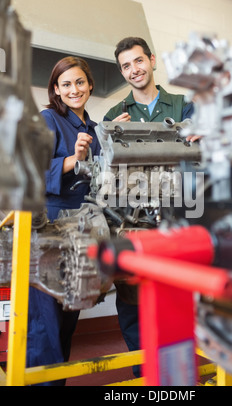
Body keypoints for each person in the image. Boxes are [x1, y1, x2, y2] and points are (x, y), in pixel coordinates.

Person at [103, 37, 194, 377]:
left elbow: (201, 148)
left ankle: (176, 372)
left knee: (176, 291)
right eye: (126, 65)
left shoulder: (184, 105)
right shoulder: (115, 115)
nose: (134, 70)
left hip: (179, 211)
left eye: (138, 61)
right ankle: (143, 373)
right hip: (132, 215)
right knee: (131, 293)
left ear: (152, 60)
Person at [26, 56, 100, 385]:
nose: (74, 89)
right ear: (56, 89)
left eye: (80, 82)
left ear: (90, 85)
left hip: (85, 224)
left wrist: (121, 140)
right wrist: (73, 159)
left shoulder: (97, 130)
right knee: (46, 322)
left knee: (70, 314)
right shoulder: (48, 120)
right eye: (66, 84)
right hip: (51, 226)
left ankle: (57, 381)